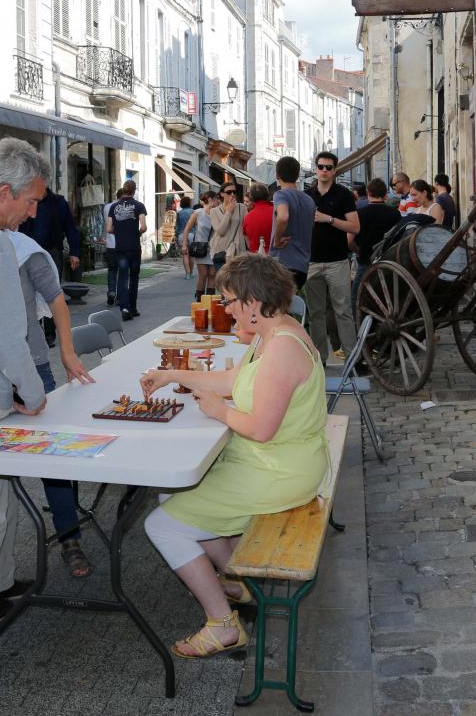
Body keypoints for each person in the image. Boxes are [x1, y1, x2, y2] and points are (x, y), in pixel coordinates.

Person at [140, 254, 328, 658]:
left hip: (278, 470)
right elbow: (230, 380)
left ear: (253, 304)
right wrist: (172, 374)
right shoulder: (273, 335)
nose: (225, 308)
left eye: (229, 301)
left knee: (162, 526)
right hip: (273, 461)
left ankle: (223, 625)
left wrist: (218, 411)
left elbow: (261, 427)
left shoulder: (281, 351)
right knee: (170, 494)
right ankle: (235, 577)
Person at [0, 174, 99, 578]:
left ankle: (69, 538)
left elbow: (57, 301)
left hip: (31, 365)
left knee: (55, 458)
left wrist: (67, 352)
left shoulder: (25, 250)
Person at [304, 151, 360, 362]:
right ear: (316, 168)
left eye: (328, 167)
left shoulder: (343, 195)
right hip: (312, 262)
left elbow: (355, 226)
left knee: (343, 312)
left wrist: (329, 219)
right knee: (315, 314)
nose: (324, 171)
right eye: (321, 167)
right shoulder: (307, 196)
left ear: (335, 170)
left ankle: (352, 359)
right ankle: (320, 361)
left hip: (337, 261)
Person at [20, 186, 81, 345]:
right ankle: (32, 330)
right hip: (27, 252)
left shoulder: (58, 202)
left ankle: (49, 332)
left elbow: (70, 227)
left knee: (50, 292)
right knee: (27, 292)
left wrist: (74, 252)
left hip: (51, 252)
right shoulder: (24, 199)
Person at [348, 177, 400, 313]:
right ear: (385, 194)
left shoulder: (360, 214)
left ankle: (358, 328)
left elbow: (349, 241)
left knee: (355, 298)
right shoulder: (395, 213)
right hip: (389, 262)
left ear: (368, 192)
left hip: (366, 261)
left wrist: (357, 250)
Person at [269, 156, 316, 290]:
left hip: (282, 262)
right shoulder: (309, 200)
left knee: (276, 308)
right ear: (297, 175)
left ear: (277, 175)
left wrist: (277, 240)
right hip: (302, 265)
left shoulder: (281, 195)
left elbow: (283, 216)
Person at [106, 180, 147, 320]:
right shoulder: (139, 206)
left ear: (123, 190)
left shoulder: (114, 207)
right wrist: (136, 233)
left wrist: (119, 233)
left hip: (120, 247)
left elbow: (109, 229)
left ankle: (124, 307)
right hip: (134, 247)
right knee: (134, 277)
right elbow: (143, 227)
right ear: (134, 191)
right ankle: (133, 307)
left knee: (122, 278)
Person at [181, 192, 218, 301]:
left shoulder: (218, 213)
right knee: (203, 274)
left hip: (215, 248)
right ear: (210, 200)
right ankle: (200, 299)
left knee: (212, 274)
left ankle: (210, 301)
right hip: (201, 248)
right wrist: (184, 244)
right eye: (216, 199)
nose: (218, 201)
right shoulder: (198, 213)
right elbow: (186, 229)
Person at [208, 182, 247, 271]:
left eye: (234, 192)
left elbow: (246, 229)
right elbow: (220, 231)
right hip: (220, 251)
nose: (232, 194)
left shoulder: (242, 208)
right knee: (222, 282)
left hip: (239, 252)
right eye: (229, 192)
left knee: (237, 283)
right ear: (222, 194)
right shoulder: (214, 211)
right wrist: (228, 212)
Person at [102, 189, 124, 305]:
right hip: (123, 244)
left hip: (110, 244)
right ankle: (120, 296)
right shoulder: (125, 208)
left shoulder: (106, 207)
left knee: (112, 269)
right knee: (122, 270)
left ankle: (111, 292)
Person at [242, 184, 273, 254]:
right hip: (274, 257)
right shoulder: (276, 212)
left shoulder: (247, 217)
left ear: (251, 198)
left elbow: (248, 241)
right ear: (267, 195)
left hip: (255, 259)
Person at [175, 196, 195, 279]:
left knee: (185, 255)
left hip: (181, 235)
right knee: (192, 255)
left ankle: (187, 274)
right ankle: (192, 273)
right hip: (192, 234)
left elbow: (177, 226)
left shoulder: (179, 213)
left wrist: (176, 235)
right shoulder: (193, 212)